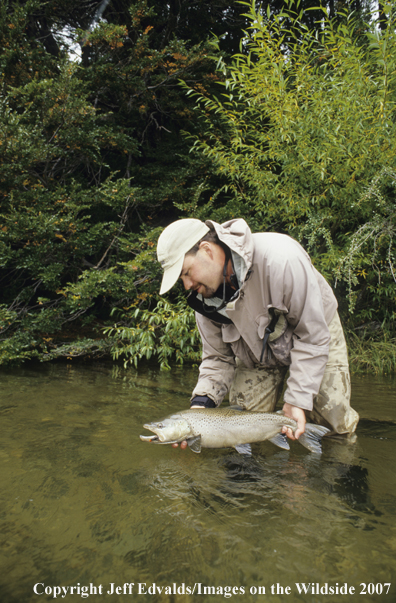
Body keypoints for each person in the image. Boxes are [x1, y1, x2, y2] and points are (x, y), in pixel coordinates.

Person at [157, 217, 359, 449]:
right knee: (243, 427)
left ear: (207, 250)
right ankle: (253, 481)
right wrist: (200, 407)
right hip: (258, 355)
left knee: (333, 422)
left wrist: (296, 400)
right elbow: (217, 358)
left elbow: (312, 336)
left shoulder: (281, 260)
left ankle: (343, 470)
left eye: (186, 272)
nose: (187, 285)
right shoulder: (203, 302)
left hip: (315, 336)